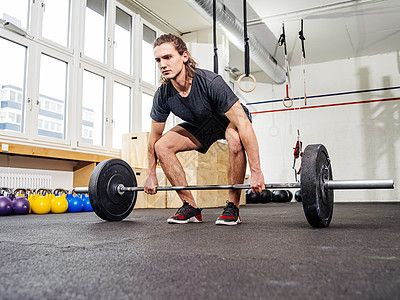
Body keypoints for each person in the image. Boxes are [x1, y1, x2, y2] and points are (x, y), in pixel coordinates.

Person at [144, 33, 265, 225]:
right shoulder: (163, 94)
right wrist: (150, 174)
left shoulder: (210, 82)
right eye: (158, 60)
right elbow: (154, 138)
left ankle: (233, 207)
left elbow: (244, 125)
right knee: (162, 146)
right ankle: (189, 206)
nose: (162, 64)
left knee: (234, 139)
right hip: (202, 126)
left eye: (168, 57)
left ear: (184, 56)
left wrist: (256, 171)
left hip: (229, 121)